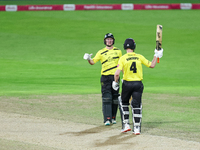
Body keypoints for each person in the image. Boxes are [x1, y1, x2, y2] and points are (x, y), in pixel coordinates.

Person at [112, 38, 163, 134]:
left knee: (124, 103)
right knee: (136, 105)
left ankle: (126, 124)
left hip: (127, 84)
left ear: (125, 47)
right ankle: (137, 128)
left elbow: (117, 74)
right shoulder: (139, 57)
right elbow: (152, 65)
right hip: (138, 84)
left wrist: (115, 82)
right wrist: (156, 55)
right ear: (134, 46)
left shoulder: (123, 58)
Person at [83, 33, 122, 126]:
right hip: (105, 77)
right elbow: (93, 62)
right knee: (107, 98)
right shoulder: (101, 52)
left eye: (111, 39)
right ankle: (107, 119)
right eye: (108, 39)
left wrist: (124, 76)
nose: (109, 41)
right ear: (105, 41)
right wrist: (89, 59)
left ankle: (113, 117)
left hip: (115, 77)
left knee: (115, 98)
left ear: (113, 40)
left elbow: (122, 64)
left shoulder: (118, 51)